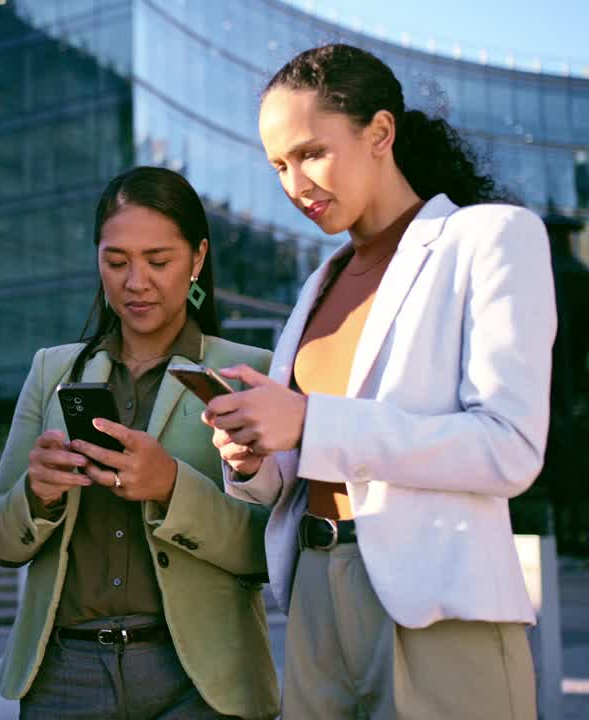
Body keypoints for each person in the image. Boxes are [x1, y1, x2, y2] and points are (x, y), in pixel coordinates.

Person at [205, 43, 554, 719]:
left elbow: (508, 447)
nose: (294, 184)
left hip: (438, 610)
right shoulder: (318, 283)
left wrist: (309, 422)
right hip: (314, 601)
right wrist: (255, 457)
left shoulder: (489, 238)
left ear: (380, 133)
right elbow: (307, 462)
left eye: (310, 152)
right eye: (278, 164)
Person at [0, 166, 280, 719]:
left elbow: (273, 552)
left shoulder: (251, 373)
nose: (135, 282)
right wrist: (37, 494)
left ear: (197, 257)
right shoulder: (53, 371)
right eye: (116, 262)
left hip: (201, 680)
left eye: (158, 261)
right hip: (65, 674)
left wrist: (170, 488)